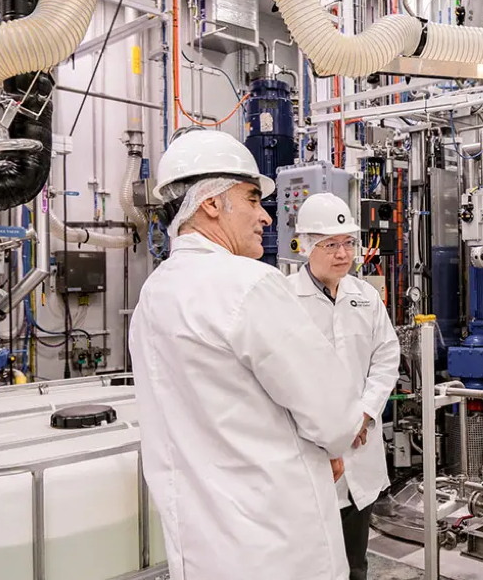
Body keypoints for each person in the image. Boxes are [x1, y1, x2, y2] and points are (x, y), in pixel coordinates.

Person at [129, 128, 364, 580]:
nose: (266, 217)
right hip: (277, 545)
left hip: (204, 548)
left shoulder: (154, 295)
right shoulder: (249, 284)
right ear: (211, 204)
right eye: (253, 200)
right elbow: (335, 416)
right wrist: (333, 444)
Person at [287, 193, 400, 580]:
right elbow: (283, 375)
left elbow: (386, 357)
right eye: (330, 244)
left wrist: (365, 413)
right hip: (307, 452)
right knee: (309, 565)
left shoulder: (365, 296)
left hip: (359, 448)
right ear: (305, 245)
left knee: (354, 564)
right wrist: (328, 430)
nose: (342, 253)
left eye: (348, 243)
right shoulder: (283, 297)